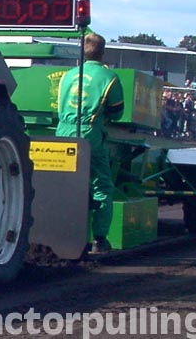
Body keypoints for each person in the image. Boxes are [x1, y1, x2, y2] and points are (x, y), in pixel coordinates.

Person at [56, 33, 124, 254]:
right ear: (103, 52)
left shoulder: (67, 76)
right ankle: (99, 239)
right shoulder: (109, 77)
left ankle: (61, 233)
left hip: (62, 131)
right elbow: (117, 113)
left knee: (63, 184)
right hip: (90, 134)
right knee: (101, 186)